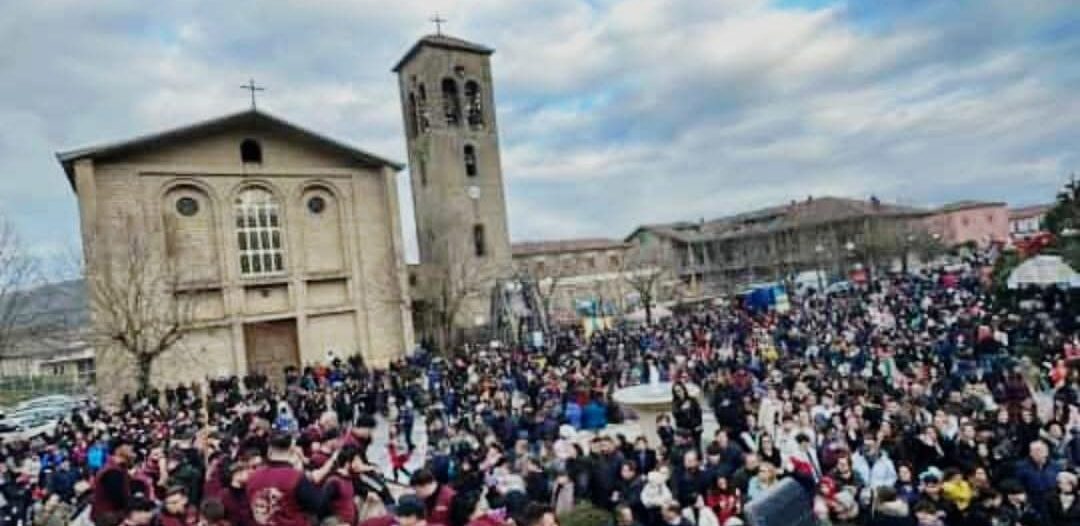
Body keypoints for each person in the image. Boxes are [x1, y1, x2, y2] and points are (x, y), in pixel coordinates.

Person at [245, 433, 326, 526]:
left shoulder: (252, 477)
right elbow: (318, 504)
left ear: (269, 450)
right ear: (292, 450)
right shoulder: (295, 477)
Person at [91, 441, 136, 524]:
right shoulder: (113, 472)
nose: (133, 453)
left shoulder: (115, 467)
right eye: (130, 449)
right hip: (109, 516)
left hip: (107, 514)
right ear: (119, 451)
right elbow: (119, 498)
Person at [673, 384, 703, 452]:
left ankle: (698, 458)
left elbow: (698, 412)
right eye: (676, 391)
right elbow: (675, 414)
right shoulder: (675, 403)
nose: (679, 392)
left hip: (695, 427)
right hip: (685, 430)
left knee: (697, 445)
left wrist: (699, 424)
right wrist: (682, 409)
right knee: (687, 447)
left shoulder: (692, 399)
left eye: (680, 390)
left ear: (683, 389)